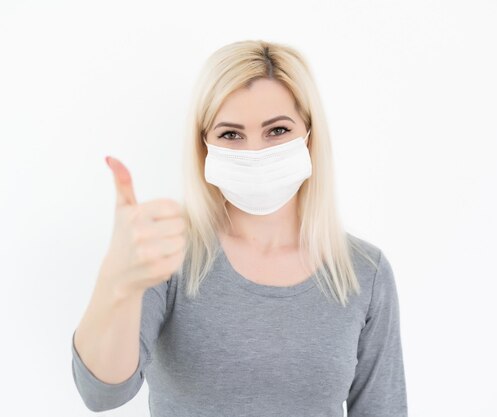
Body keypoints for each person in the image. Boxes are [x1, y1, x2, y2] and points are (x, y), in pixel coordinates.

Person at [71, 39, 408, 416]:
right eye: (230, 134)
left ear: (309, 136)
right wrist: (117, 283)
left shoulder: (365, 271)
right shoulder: (169, 253)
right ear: (205, 146)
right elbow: (101, 395)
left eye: (277, 131)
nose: (254, 153)